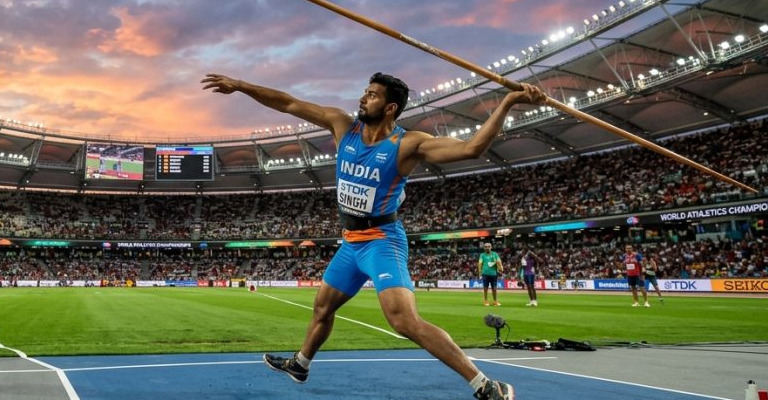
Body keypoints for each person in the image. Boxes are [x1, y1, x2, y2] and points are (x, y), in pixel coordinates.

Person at [202, 72, 545, 400]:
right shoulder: (342, 125)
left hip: (382, 241)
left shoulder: (407, 144)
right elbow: (289, 103)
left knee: (403, 320)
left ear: (390, 107)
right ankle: (301, 364)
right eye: (365, 92)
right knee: (322, 307)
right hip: (350, 243)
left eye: (372, 95)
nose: (362, 99)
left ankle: (486, 385)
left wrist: (508, 102)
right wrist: (241, 85)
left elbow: (471, 149)